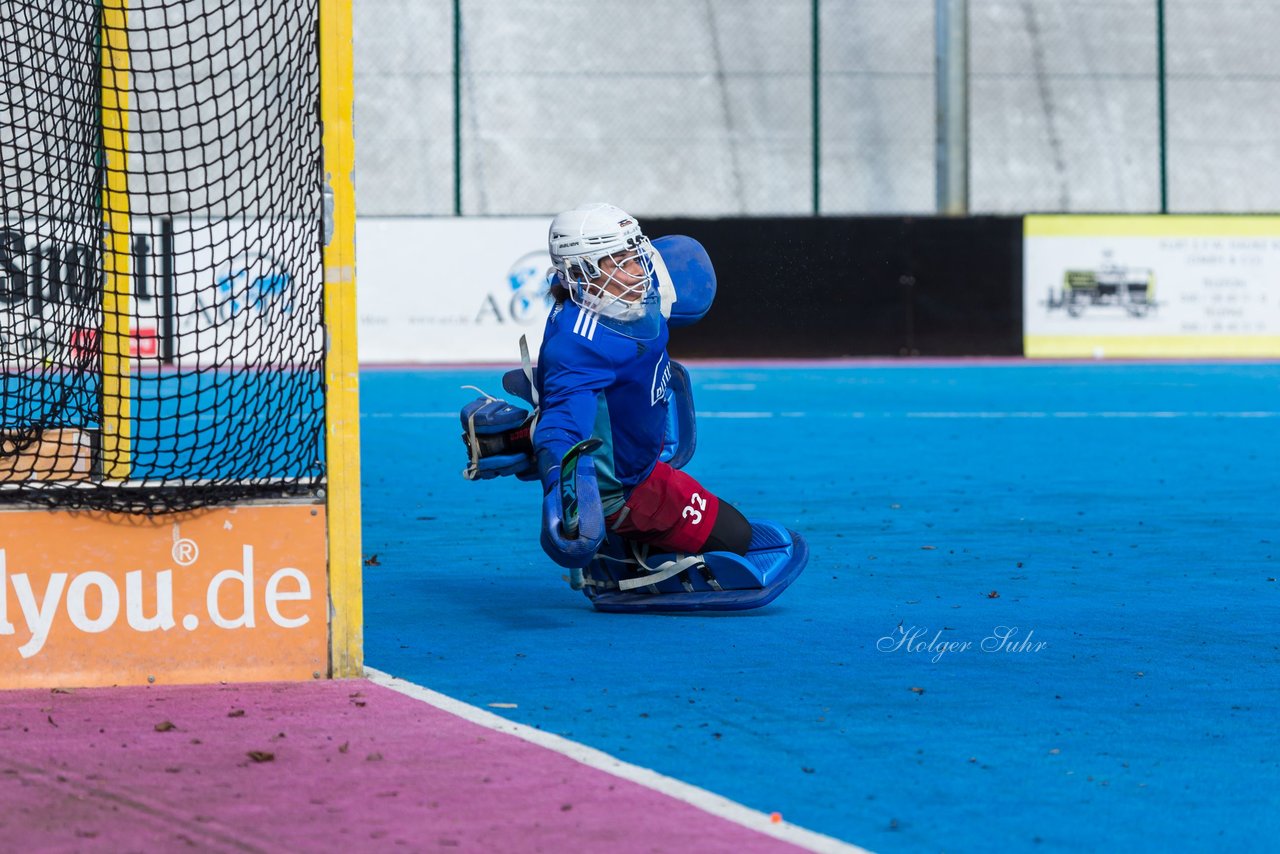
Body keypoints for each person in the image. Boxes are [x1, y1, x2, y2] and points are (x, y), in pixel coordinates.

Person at [533, 202, 752, 571]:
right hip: (628, 489)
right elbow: (563, 423)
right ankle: (619, 553)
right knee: (737, 538)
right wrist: (566, 490)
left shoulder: (617, 299)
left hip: (639, 462)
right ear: (583, 272)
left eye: (635, 254)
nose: (639, 270)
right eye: (620, 260)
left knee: (732, 529)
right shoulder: (578, 344)